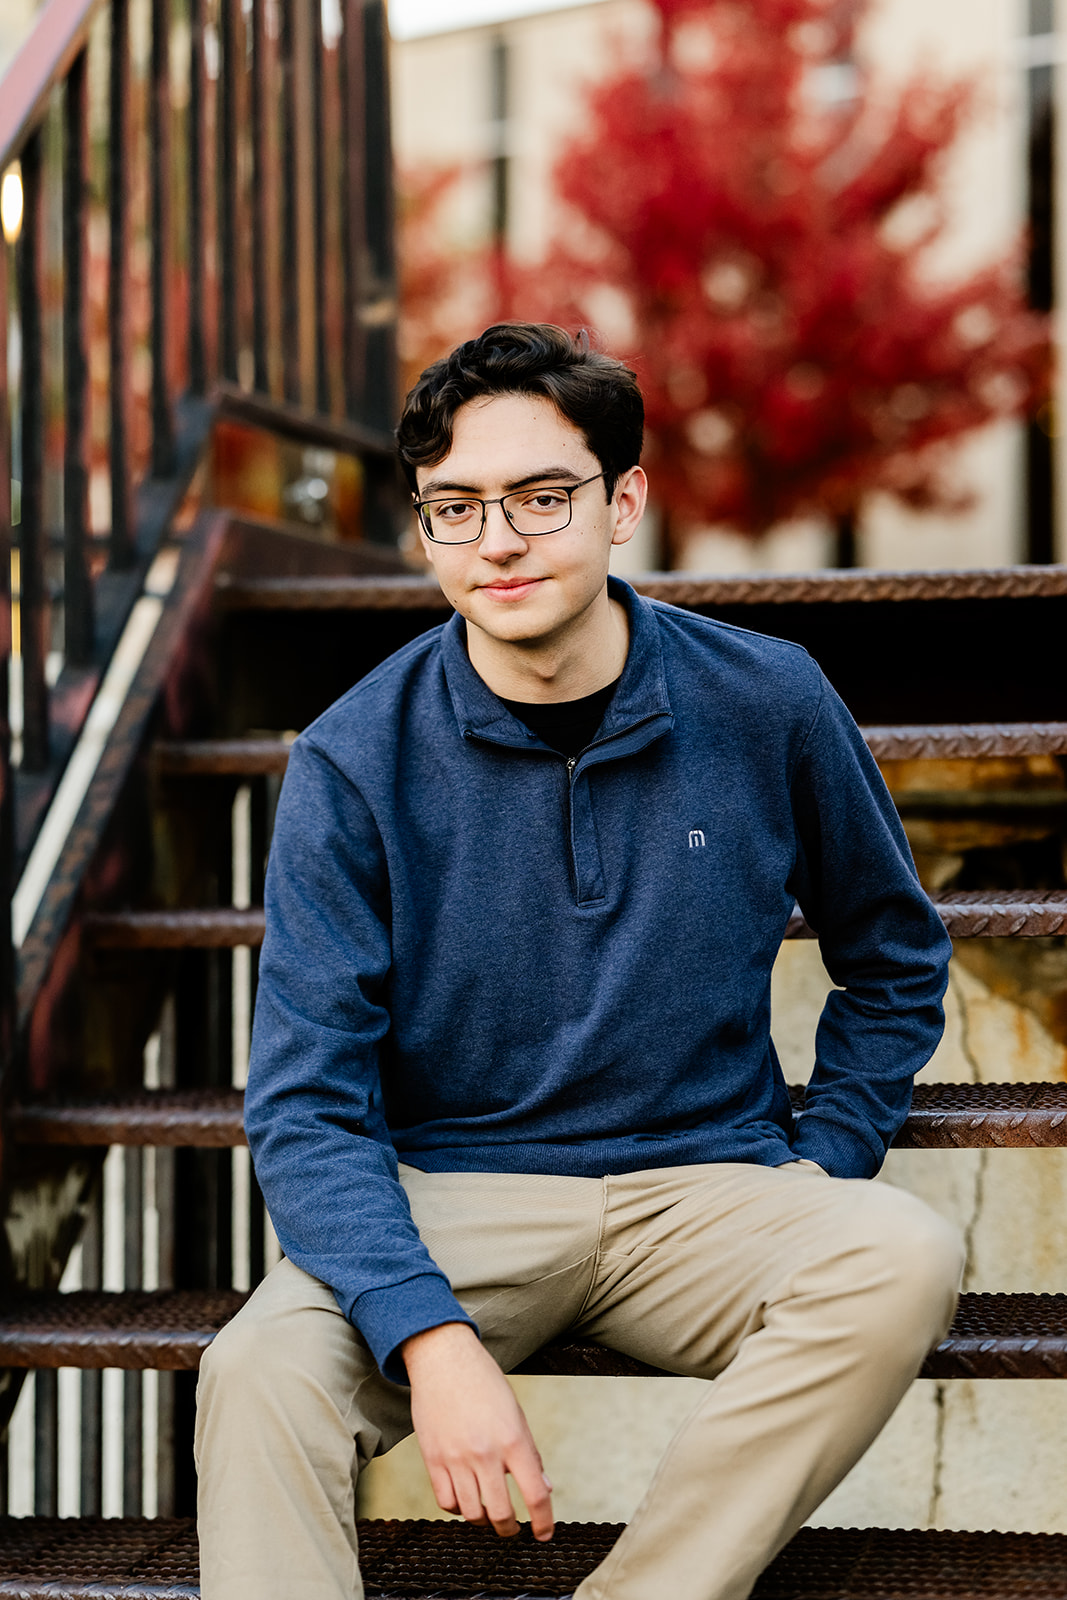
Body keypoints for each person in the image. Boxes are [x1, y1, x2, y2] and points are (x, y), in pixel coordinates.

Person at [195, 322, 964, 1600]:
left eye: (540, 496)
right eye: (454, 507)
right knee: (258, 1370)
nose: (495, 540)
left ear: (623, 503)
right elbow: (305, 1101)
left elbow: (892, 953)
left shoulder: (766, 699)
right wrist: (430, 1338)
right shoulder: (352, 757)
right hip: (456, 1194)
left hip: (708, 1186)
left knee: (900, 1254)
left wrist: (825, 1154)